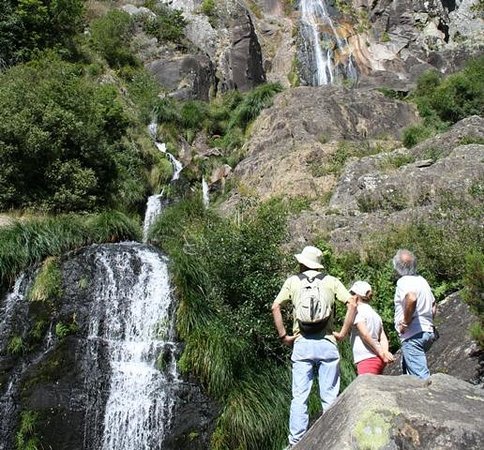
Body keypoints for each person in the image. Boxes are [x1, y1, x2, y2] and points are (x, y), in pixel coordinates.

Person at [271, 245, 356, 448]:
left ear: (302, 263)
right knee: (330, 397)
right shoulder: (331, 281)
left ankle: (295, 442)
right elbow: (352, 303)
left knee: (300, 396)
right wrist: (343, 333)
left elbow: (275, 306)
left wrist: (284, 335)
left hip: (302, 344)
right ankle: (332, 439)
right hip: (327, 342)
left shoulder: (292, 281)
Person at [393, 249, 436, 379]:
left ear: (397, 266)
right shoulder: (422, 280)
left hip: (412, 335)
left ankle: (429, 398)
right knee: (408, 374)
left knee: (420, 379)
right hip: (427, 331)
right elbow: (433, 306)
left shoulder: (404, 282)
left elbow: (411, 298)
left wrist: (405, 323)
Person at [349, 281, 394, 375]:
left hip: (366, 358)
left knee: (366, 388)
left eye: (352, 294)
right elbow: (383, 338)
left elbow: (364, 334)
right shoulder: (375, 314)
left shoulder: (358, 311)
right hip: (378, 360)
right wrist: (385, 352)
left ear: (356, 296)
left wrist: (381, 352)